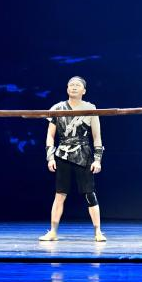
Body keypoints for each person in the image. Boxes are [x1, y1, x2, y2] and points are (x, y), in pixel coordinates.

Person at [39, 77, 106, 242]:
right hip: (62, 155)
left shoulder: (90, 108)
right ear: (67, 89)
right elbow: (50, 136)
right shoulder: (57, 108)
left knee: (89, 194)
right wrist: (50, 157)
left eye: (78, 85)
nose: (74, 87)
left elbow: (97, 137)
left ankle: (98, 232)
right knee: (60, 194)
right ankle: (53, 231)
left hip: (84, 155)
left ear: (84, 90)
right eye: (71, 85)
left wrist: (97, 159)